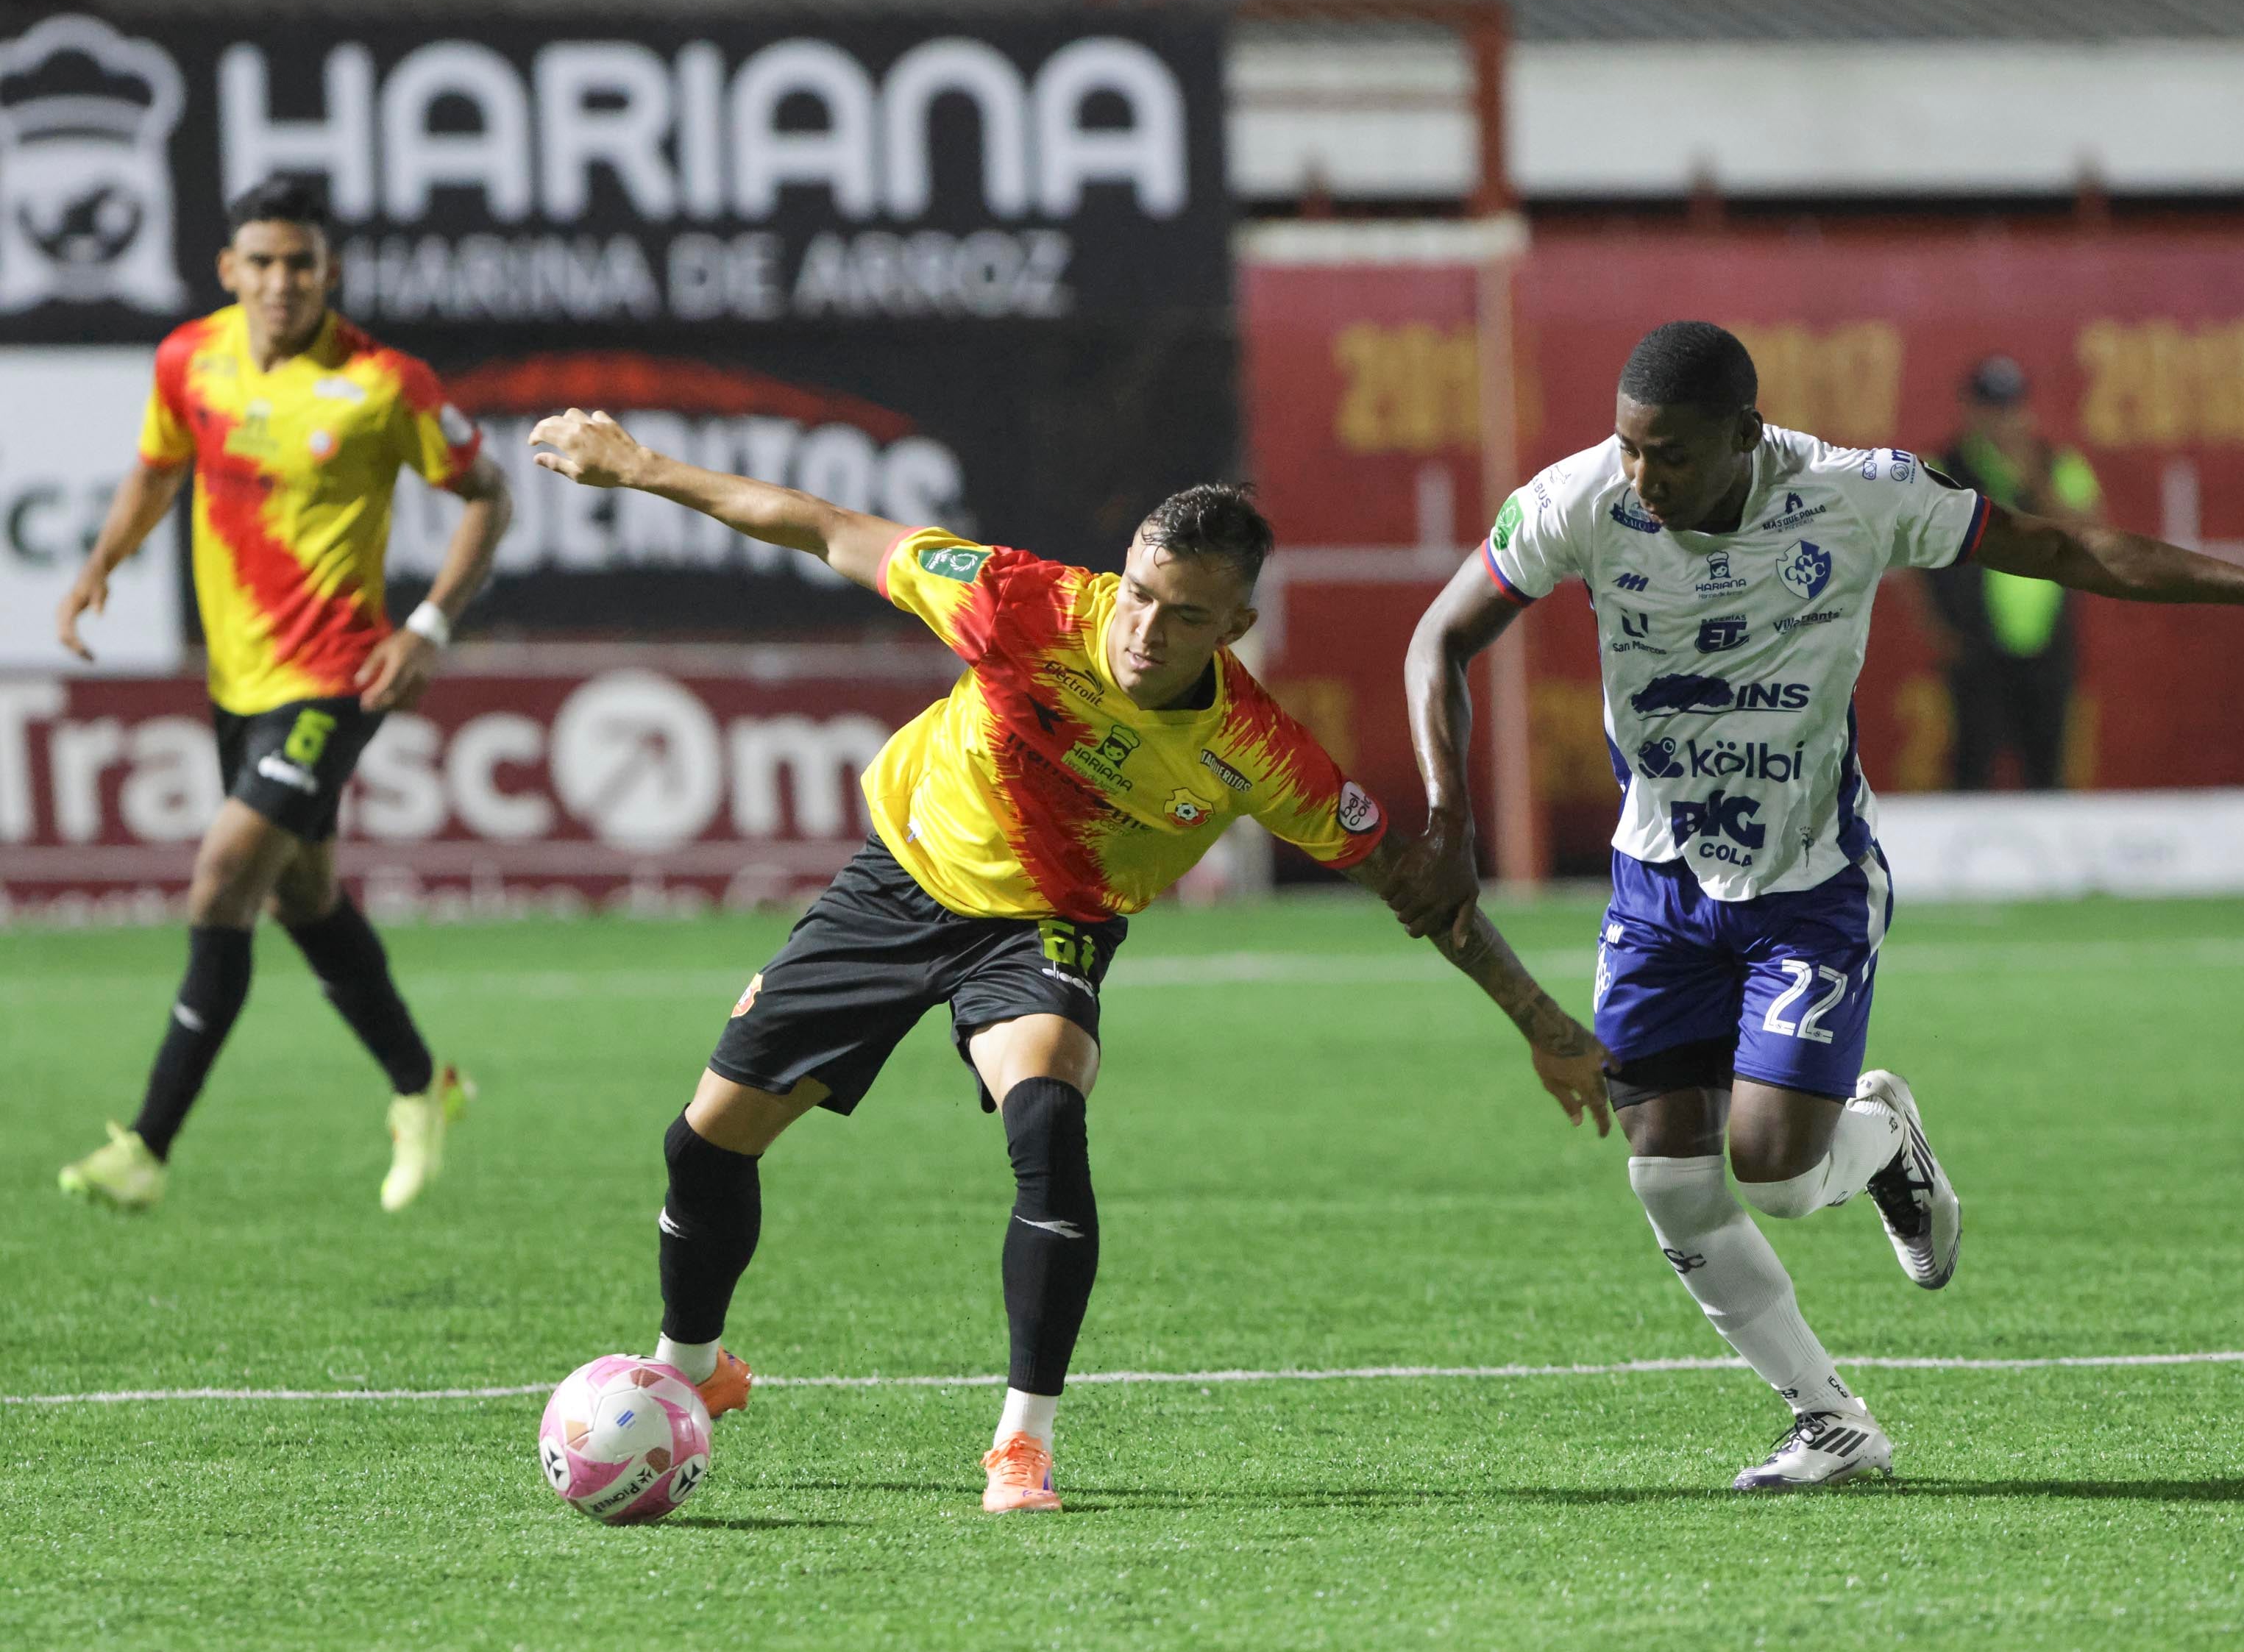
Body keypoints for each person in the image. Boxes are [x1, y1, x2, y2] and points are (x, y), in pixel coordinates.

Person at [1389, 321, 2244, 1492]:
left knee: (1780, 1175)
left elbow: (2066, 549)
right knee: (1669, 1180)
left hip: (1811, 886)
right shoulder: (1579, 500)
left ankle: (1882, 1133)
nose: (1645, 478)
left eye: (1673, 456)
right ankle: (1830, 1421)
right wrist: (1448, 814)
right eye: (1632, 449)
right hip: (1661, 890)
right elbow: (1440, 638)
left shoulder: (1859, 491)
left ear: (1745, 434)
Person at [526, 407, 1607, 1515]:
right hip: (898, 880)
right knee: (704, 1146)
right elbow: (822, 523)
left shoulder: (1258, 750)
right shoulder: (1015, 600)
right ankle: (690, 1364)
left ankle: (1021, 1444)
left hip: (1045, 926)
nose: (1145, 628)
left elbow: (1421, 896)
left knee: (1045, 1115)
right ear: (1121, 571)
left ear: (1234, 624)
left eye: (1184, 617)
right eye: (1139, 594)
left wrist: (1543, 1022)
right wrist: (639, 466)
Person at [55, 177, 511, 1214]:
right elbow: (157, 471)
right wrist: (101, 565)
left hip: (336, 676)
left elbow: (488, 495)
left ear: (328, 272)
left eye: (300, 263)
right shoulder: (189, 359)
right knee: (304, 894)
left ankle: (147, 1147)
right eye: (261, 262)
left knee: (222, 879)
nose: (280, 282)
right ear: (229, 269)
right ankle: (421, 1087)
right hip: (238, 680)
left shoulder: (383, 384)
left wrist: (428, 624)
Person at [1922, 355, 2103, 790]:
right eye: (1989, 407)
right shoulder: (1942, 468)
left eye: (2009, 407)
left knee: (2047, 769)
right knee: (1972, 768)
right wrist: (1936, 629)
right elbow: (1909, 559)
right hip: (1973, 644)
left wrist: (2033, 477)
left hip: (2046, 644)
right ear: (1968, 408)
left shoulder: (2057, 464)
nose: (2000, 419)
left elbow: (2089, 536)